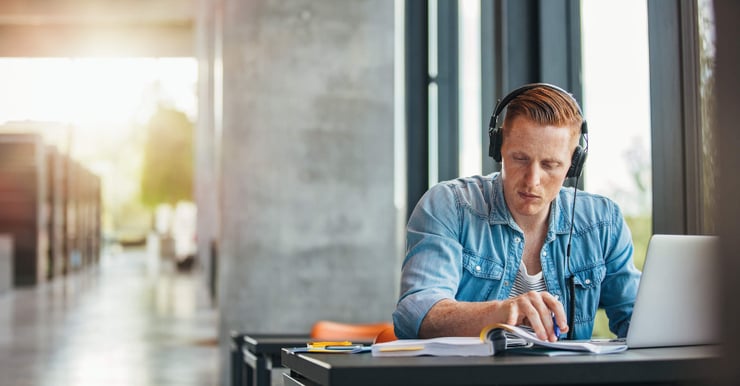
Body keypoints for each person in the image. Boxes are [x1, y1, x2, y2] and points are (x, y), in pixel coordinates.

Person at [392, 83, 641, 342]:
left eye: (550, 165)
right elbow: (415, 315)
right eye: (520, 158)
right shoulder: (450, 206)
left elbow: (637, 318)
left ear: (573, 164)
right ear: (498, 148)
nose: (532, 180)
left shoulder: (602, 222)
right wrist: (501, 312)